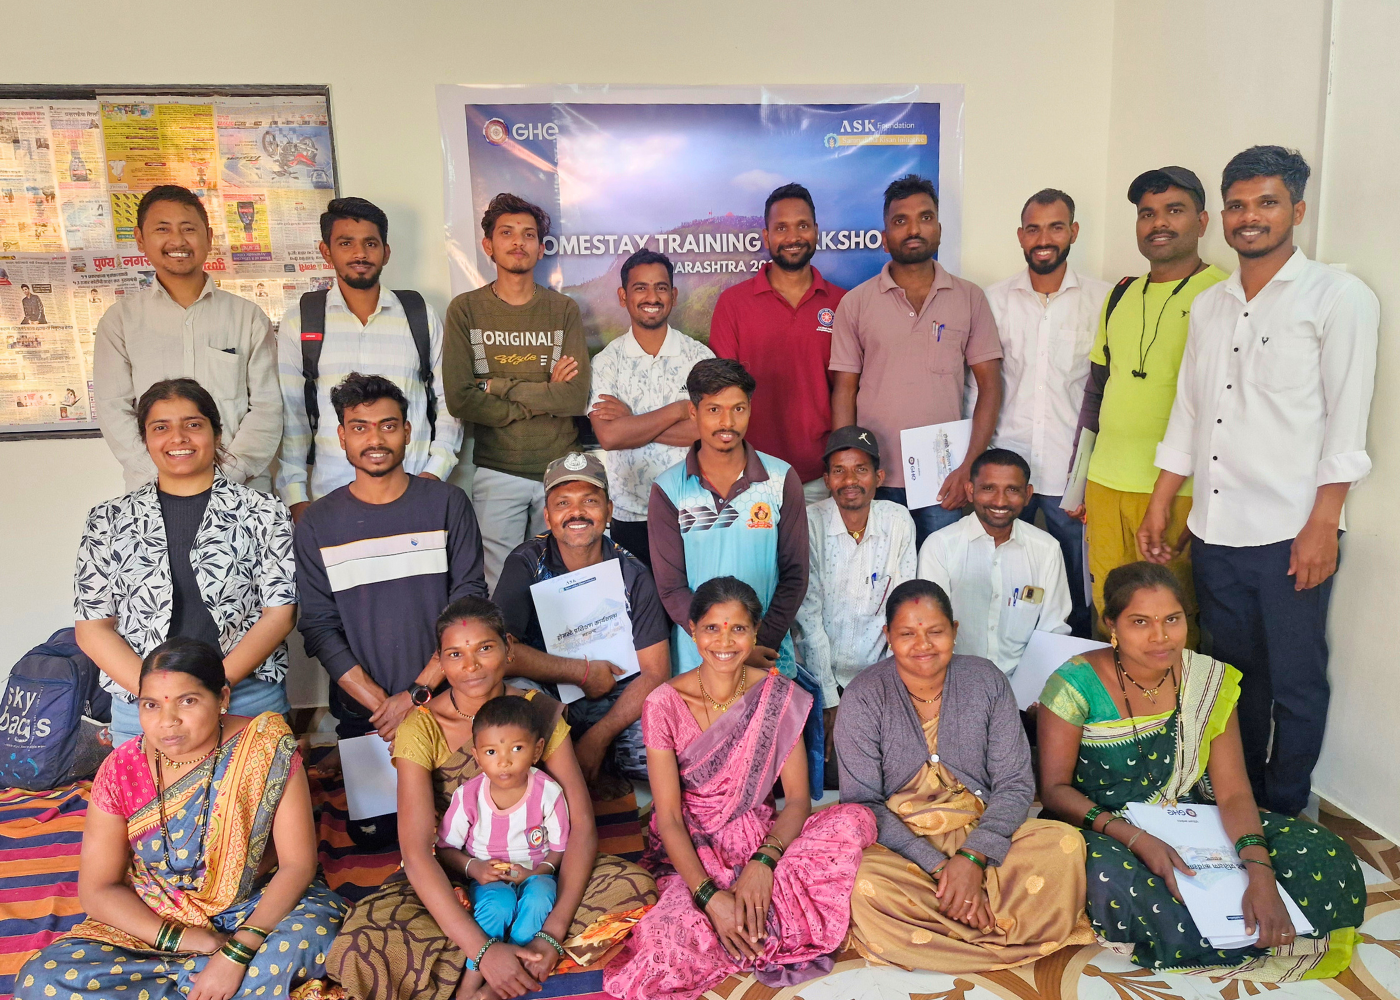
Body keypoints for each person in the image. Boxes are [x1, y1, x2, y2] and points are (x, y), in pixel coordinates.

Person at [1139, 147, 1380, 818]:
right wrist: (1163, 504)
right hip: (1215, 533)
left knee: (1297, 685)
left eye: (1267, 202)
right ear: (1223, 215)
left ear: (1297, 210)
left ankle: (1285, 810)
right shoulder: (1211, 305)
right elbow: (1189, 411)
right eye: (1239, 205)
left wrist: (1322, 525)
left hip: (1290, 535)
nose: (1251, 217)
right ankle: (1238, 805)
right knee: (1233, 684)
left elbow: (1345, 425)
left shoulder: (1337, 298)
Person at [1037, 562, 1365, 978]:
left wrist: (1259, 871)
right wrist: (1138, 838)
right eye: (1140, 622)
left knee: (1328, 855)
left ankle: (1234, 920)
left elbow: (1232, 794)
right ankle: (1230, 929)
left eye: (1172, 619)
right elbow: (1054, 790)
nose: (1161, 636)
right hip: (1100, 825)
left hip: (1187, 815)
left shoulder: (1206, 680)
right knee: (1123, 887)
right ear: (1111, 625)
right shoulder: (1075, 684)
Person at [328, 597, 657, 1000]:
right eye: (455, 654)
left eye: (484, 648)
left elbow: (582, 823)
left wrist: (552, 933)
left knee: (635, 887)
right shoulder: (422, 726)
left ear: (508, 648)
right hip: (458, 876)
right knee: (365, 945)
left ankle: (505, 965)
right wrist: (482, 950)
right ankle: (504, 963)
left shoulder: (537, 711)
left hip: (542, 870)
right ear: (440, 662)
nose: (471, 666)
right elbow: (416, 851)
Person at [15, 637, 347, 1000]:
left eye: (187, 701)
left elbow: (297, 866)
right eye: (151, 705)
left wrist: (237, 953)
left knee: (320, 934)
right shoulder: (122, 769)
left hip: (258, 907)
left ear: (222, 698)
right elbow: (98, 889)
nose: (167, 721)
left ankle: (201, 985)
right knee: (42, 980)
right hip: (157, 918)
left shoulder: (266, 746)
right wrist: (187, 939)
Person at [603, 577, 876, 1000]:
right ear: (691, 629)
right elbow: (670, 817)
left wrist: (763, 863)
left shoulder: (779, 696)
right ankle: (748, 912)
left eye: (738, 629)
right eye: (712, 628)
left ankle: (761, 899)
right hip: (691, 847)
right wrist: (709, 895)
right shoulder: (663, 703)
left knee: (854, 818)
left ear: (754, 633)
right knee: (665, 952)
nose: (724, 642)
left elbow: (799, 799)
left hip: (759, 834)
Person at [835, 579, 1089, 971]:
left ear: (954, 630)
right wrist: (939, 867)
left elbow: (1015, 783)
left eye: (935, 632)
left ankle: (943, 932)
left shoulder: (986, 680)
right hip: (903, 844)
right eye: (907, 634)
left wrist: (972, 857)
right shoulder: (864, 694)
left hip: (980, 830)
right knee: (862, 880)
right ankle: (996, 925)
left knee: (1064, 844)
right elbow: (861, 803)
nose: (923, 645)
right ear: (887, 636)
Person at [74, 378, 295, 747]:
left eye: (193, 424)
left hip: (246, 698)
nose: (178, 438)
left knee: (253, 805)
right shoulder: (108, 520)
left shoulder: (264, 512)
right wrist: (159, 698)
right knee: (153, 807)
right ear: (146, 439)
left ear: (216, 433)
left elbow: (280, 613)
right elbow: (93, 626)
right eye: (161, 427)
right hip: (142, 711)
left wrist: (213, 687)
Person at [1074, 167, 1227, 636]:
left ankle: (1173, 712)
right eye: (1147, 214)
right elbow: (1097, 390)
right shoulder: (1120, 294)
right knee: (1110, 613)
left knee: (1170, 620)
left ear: (1202, 222)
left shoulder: (1224, 294)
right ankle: (1116, 710)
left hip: (1177, 490)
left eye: (1173, 211)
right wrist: (1078, 481)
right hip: (1104, 484)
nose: (1158, 223)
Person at [295, 373, 486, 744]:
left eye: (388, 426)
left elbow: (469, 609)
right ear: (342, 437)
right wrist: (385, 706)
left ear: (407, 430)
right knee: (381, 806)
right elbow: (319, 627)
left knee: (460, 804)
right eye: (360, 427)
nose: (375, 440)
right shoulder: (318, 523)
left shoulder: (447, 504)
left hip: (451, 701)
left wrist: (417, 695)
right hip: (364, 716)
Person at [830, 173, 1003, 545]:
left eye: (925, 218)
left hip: (945, 480)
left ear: (939, 228)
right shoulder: (856, 303)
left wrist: (969, 467)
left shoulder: (969, 298)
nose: (913, 229)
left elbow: (990, 388)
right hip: (873, 476)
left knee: (937, 585)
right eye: (900, 220)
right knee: (878, 585)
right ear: (884, 234)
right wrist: (849, 471)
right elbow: (844, 391)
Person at [276, 196, 463, 519]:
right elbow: (292, 418)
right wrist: (295, 497)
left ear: (386, 252)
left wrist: (434, 473)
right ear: (326, 251)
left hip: (415, 496)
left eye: (370, 244)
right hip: (331, 500)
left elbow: (449, 403)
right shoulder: (302, 322)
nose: (360, 254)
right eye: (346, 243)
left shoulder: (419, 316)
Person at [491, 453, 671, 787]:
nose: (577, 512)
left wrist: (598, 738)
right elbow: (501, 652)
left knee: (666, 748)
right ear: (547, 515)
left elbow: (656, 672)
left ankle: (593, 760)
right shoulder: (526, 562)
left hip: (616, 700)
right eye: (563, 503)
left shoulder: (633, 572)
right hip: (550, 698)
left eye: (589, 501)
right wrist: (581, 672)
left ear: (609, 511)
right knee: (510, 706)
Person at [443, 192, 590, 590]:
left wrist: (500, 387)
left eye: (528, 235)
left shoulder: (563, 310)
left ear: (541, 249)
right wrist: (542, 397)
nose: (517, 242)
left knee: (565, 583)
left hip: (561, 469)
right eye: (506, 233)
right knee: (502, 585)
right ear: (488, 245)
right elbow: (460, 397)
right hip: (497, 470)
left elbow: (574, 399)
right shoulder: (466, 309)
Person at [94, 185, 280, 492]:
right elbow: (114, 409)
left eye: (188, 229)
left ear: (208, 237)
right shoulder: (120, 322)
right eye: (163, 229)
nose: (178, 241)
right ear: (140, 239)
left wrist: (229, 474)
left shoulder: (247, 317)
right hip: (152, 493)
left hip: (241, 491)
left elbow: (267, 407)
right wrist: (160, 476)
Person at [986, 189, 1109, 637]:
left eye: (1056, 227)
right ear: (1020, 236)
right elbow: (974, 389)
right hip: (1005, 469)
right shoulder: (993, 301)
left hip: (1068, 476)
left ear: (1073, 232)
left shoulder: (1104, 300)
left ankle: (1065, 693)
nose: (1044, 238)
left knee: (1074, 598)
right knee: (1002, 584)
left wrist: (1092, 477)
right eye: (1033, 228)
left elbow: (1107, 392)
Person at [649, 358, 808, 676]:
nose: (727, 422)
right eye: (714, 409)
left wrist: (752, 643)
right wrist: (719, 644)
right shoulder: (668, 489)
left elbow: (794, 576)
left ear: (750, 408)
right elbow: (671, 588)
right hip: (698, 662)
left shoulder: (781, 479)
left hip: (766, 654)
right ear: (693, 412)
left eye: (738, 408)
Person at [709, 182, 847, 500]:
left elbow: (848, 390)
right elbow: (719, 396)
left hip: (820, 477)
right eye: (781, 227)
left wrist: (840, 462)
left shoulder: (844, 304)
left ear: (816, 231)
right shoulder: (733, 304)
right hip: (749, 476)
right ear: (766, 237)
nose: (793, 237)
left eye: (802, 226)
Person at [794, 424, 916, 777]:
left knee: (886, 772)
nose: (850, 480)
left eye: (860, 469)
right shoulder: (810, 522)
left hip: (878, 677)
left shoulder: (898, 521)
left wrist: (890, 691)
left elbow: (903, 612)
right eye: (839, 471)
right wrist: (829, 701)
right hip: (816, 678)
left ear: (878, 476)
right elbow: (808, 620)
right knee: (823, 774)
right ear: (827, 479)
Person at [588, 249, 713, 567]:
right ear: (622, 296)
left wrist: (633, 423)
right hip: (629, 516)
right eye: (640, 287)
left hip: (692, 512)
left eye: (660, 287)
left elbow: (706, 429)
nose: (651, 296)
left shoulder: (699, 358)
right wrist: (678, 409)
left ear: (673, 295)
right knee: (639, 613)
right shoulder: (606, 362)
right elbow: (611, 436)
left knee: (692, 612)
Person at [437, 695, 568, 977]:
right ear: (476, 755)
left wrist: (536, 872)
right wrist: (475, 868)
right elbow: (445, 848)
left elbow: (559, 849)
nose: (504, 762)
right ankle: (473, 979)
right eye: (491, 752)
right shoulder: (468, 797)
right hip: (488, 879)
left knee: (542, 893)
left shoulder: (548, 792)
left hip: (535, 874)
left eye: (517, 748)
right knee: (499, 904)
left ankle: (518, 961)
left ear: (537, 750)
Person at [917, 448, 1072, 677]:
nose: (1000, 500)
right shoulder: (940, 546)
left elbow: (1053, 630)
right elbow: (930, 629)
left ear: (1028, 494)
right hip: (954, 683)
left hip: (1024, 686)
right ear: (970, 491)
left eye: (1012, 490)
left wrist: (1032, 692)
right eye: (988, 488)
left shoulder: (1046, 549)